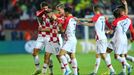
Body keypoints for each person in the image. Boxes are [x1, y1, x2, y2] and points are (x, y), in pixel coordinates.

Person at [79, 5, 115, 75]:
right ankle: (95, 72)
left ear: (94, 10)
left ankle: (112, 70)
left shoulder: (97, 16)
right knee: (98, 55)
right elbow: (93, 24)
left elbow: (90, 21)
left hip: (100, 39)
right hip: (102, 38)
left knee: (103, 55)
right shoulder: (102, 17)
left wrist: (80, 21)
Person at [32, 2, 53, 75]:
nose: (45, 9)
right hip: (40, 37)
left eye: (46, 8)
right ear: (41, 8)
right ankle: (38, 69)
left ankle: (51, 71)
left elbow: (53, 27)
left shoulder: (51, 15)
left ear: (48, 7)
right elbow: (38, 14)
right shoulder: (39, 13)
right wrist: (45, 10)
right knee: (34, 53)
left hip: (49, 37)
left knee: (48, 56)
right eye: (43, 8)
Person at [58, 7, 78, 75]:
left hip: (69, 40)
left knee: (60, 54)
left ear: (66, 12)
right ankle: (75, 74)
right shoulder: (74, 19)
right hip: (74, 38)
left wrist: (60, 25)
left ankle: (68, 70)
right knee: (72, 56)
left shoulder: (67, 19)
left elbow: (62, 30)